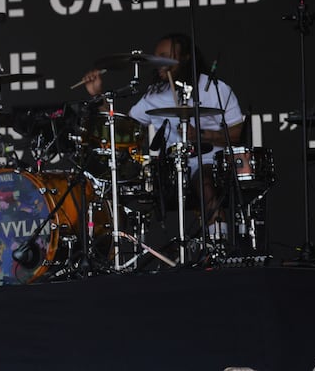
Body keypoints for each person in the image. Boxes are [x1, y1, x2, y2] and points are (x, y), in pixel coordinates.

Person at [78, 32, 245, 247]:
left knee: (205, 183)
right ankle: (121, 253)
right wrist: (98, 95)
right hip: (172, 167)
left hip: (211, 162)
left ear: (185, 57)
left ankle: (219, 245)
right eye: (157, 57)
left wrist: (203, 135)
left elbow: (236, 134)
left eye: (165, 56)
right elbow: (122, 130)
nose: (159, 62)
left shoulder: (214, 88)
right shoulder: (155, 94)